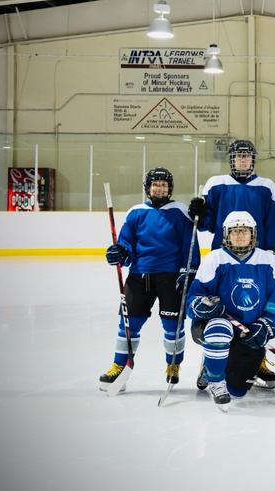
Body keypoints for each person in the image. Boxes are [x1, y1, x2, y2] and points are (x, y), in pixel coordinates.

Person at [188, 139, 275, 389]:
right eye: (238, 156)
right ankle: (209, 361)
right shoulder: (217, 184)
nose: (242, 160)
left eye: (246, 156)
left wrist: (272, 251)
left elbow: (271, 221)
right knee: (218, 312)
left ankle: (257, 359)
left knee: (254, 309)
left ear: (253, 159)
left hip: (257, 258)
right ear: (231, 159)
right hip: (222, 256)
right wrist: (197, 211)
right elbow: (205, 223)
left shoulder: (266, 186)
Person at [98, 167, 199, 392]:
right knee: (129, 325)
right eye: (156, 184)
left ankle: (173, 365)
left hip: (171, 277)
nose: (160, 188)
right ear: (148, 187)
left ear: (170, 188)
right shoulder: (136, 212)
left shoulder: (180, 211)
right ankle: (119, 364)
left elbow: (190, 246)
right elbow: (126, 244)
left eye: (164, 184)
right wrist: (120, 253)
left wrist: (189, 271)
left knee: (173, 325)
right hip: (139, 276)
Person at [185, 211, 275, 412]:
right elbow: (193, 298)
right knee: (219, 328)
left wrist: (265, 325)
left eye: (244, 231)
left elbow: (274, 302)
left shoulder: (268, 261)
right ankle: (215, 381)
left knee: (237, 390)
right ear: (226, 235)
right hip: (215, 324)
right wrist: (202, 306)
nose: (239, 235)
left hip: (249, 329)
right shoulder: (215, 259)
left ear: (253, 234)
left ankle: (212, 364)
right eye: (235, 231)